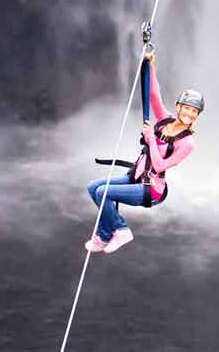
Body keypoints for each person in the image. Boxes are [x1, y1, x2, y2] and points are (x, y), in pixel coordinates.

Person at [85, 49, 204, 254]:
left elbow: (159, 166)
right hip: (135, 177)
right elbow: (153, 94)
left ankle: (121, 229)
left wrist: (150, 139)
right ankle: (105, 234)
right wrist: (151, 65)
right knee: (93, 186)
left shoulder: (187, 143)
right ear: (178, 107)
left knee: (103, 193)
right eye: (186, 108)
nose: (189, 113)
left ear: (197, 116)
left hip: (150, 189)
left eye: (194, 111)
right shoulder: (165, 119)